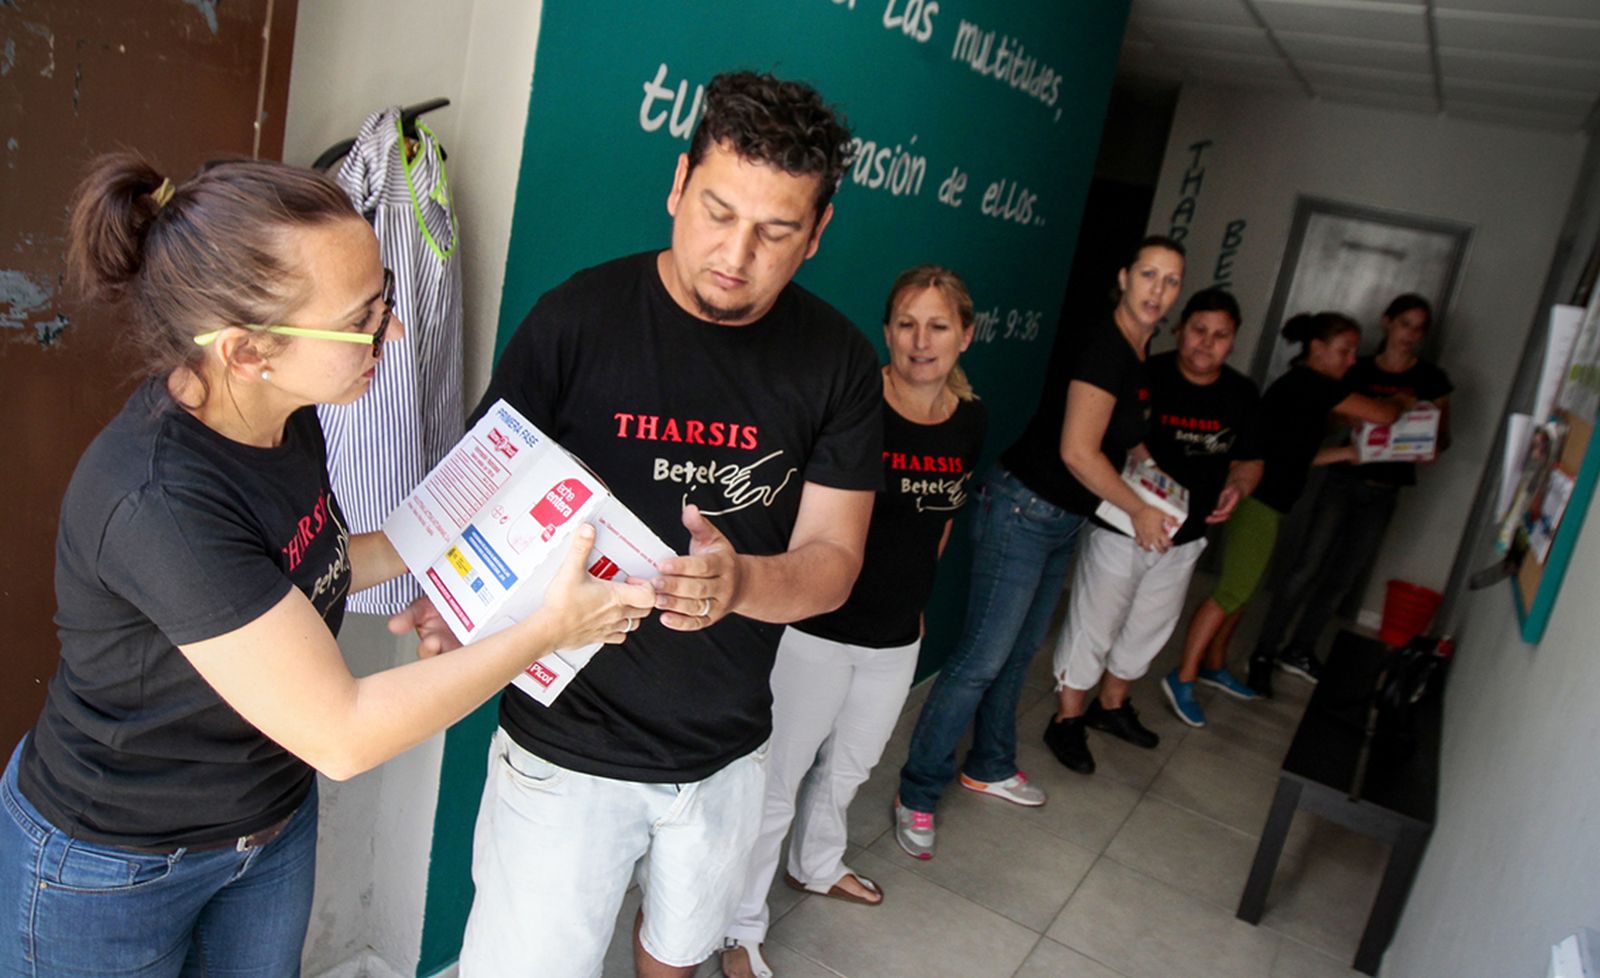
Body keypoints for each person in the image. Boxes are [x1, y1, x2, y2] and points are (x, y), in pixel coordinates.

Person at [0, 155, 654, 977]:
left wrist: (486, 558)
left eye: (384, 299)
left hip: (267, 824)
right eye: (364, 319)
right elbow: (342, 731)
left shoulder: (287, 417)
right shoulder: (160, 503)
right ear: (247, 352)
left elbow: (329, 562)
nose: (396, 332)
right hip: (117, 867)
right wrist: (550, 627)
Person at [457, 72, 882, 978]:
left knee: (677, 960)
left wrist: (743, 583)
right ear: (679, 184)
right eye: (718, 212)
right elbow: (474, 503)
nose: (736, 252)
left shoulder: (838, 360)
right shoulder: (578, 318)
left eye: (774, 232)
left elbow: (836, 561)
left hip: (724, 752)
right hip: (563, 749)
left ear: (818, 232)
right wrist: (448, 595)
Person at [721, 266, 986, 978]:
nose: (920, 341)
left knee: (850, 770)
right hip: (818, 632)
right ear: (887, 330)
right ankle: (738, 928)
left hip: (897, 637)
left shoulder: (968, 420)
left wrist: (917, 599)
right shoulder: (855, 404)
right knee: (780, 779)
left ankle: (817, 865)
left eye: (937, 326)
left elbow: (943, 521)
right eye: (906, 323)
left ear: (965, 334)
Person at [893, 235, 1185, 856]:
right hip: (1025, 510)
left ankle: (991, 762)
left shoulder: (1139, 345)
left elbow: (1120, 437)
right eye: (1149, 276)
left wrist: (1157, 479)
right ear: (1125, 277)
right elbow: (1079, 451)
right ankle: (918, 792)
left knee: (1020, 650)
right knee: (979, 659)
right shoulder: (1105, 347)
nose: (1158, 291)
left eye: (1170, 281)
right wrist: (1138, 510)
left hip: (1062, 518)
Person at [1053, 288, 1263, 770]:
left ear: (1233, 342)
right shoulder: (1146, 373)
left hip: (1187, 536)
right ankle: (1067, 718)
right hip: (1122, 524)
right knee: (1095, 621)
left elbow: (1250, 461)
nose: (1206, 344)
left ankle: (1111, 706)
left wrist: (1238, 487)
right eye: (1198, 330)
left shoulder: (1241, 394)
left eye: (1220, 335)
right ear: (1179, 328)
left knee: (1150, 626)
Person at [1161, 311, 1406, 722]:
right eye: (1345, 351)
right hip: (1256, 502)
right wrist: (1405, 400)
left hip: (1271, 504)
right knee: (1234, 590)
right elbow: (1385, 415)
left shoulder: (1304, 390)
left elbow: (1296, 457)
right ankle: (1182, 676)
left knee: (1247, 587)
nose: (1351, 361)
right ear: (1317, 348)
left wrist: (1347, 454)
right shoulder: (1311, 384)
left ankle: (1214, 664)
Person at [1249, 294, 1453, 683]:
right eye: (1405, 323)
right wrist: (1370, 417)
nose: (1410, 334)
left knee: (1342, 578)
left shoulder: (1431, 378)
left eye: (1419, 327)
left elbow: (1442, 437)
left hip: (1386, 488)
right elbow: (1320, 427)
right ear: (1387, 322)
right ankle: (1264, 651)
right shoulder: (1352, 369)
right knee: (1306, 567)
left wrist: (1427, 445)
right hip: (1343, 481)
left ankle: (1300, 650)